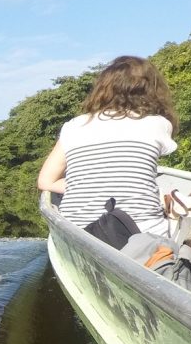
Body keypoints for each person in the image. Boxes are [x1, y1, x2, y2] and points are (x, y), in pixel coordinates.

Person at [37, 55, 179, 236]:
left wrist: (82, 186)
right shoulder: (159, 124)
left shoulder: (74, 126)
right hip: (145, 235)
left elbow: (45, 181)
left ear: (102, 89)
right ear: (152, 90)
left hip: (80, 230)